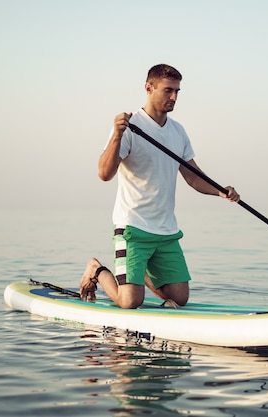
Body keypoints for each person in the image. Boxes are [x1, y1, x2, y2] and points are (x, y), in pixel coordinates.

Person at [79, 64, 240, 309]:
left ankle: (136, 274)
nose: (174, 97)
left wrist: (220, 190)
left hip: (165, 230)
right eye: (168, 90)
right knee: (129, 302)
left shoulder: (178, 131)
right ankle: (96, 269)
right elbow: (104, 173)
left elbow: (193, 176)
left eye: (177, 91)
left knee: (179, 299)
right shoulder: (130, 127)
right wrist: (117, 135)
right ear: (148, 88)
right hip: (133, 227)